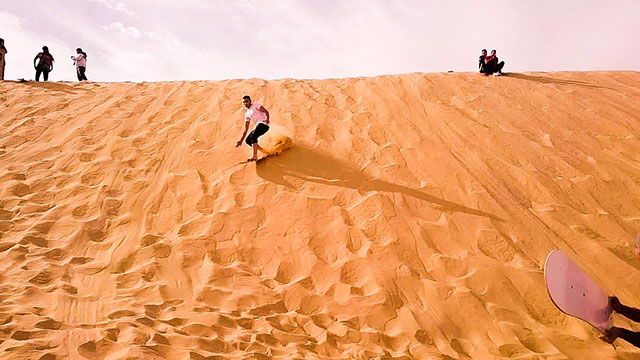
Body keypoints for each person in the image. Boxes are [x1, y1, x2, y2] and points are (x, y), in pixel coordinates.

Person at [236, 95, 270, 162]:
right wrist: (241, 141)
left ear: (250, 101)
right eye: (244, 102)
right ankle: (264, 151)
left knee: (253, 136)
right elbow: (246, 129)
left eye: (247, 101)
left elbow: (266, 111)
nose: (245, 103)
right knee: (248, 141)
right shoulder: (247, 114)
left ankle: (255, 156)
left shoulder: (255, 105)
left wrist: (267, 119)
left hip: (263, 124)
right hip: (258, 126)